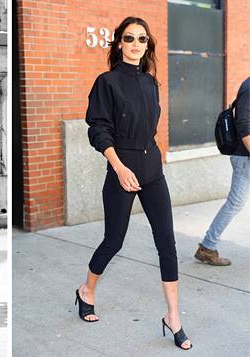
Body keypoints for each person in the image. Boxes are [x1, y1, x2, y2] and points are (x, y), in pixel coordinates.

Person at [77, 17, 192, 350]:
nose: (136, 44)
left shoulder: (150, 82)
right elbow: (98, 129)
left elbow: (151, 129)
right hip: (121, 168)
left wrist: (154, 159)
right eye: (129, 38)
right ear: (119, 44)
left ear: (147, 45)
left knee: (167, 243)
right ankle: (87, 291)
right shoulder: (107, 82)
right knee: (114, 241)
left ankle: (173, 317)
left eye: (142, 39)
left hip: (152, 170)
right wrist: (118, 165)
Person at [194, 77, 250, 265]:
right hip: (245, 157)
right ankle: (208, 247)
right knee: (235, 203)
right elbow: (244, 125)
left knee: (235, 203)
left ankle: (208, 247)